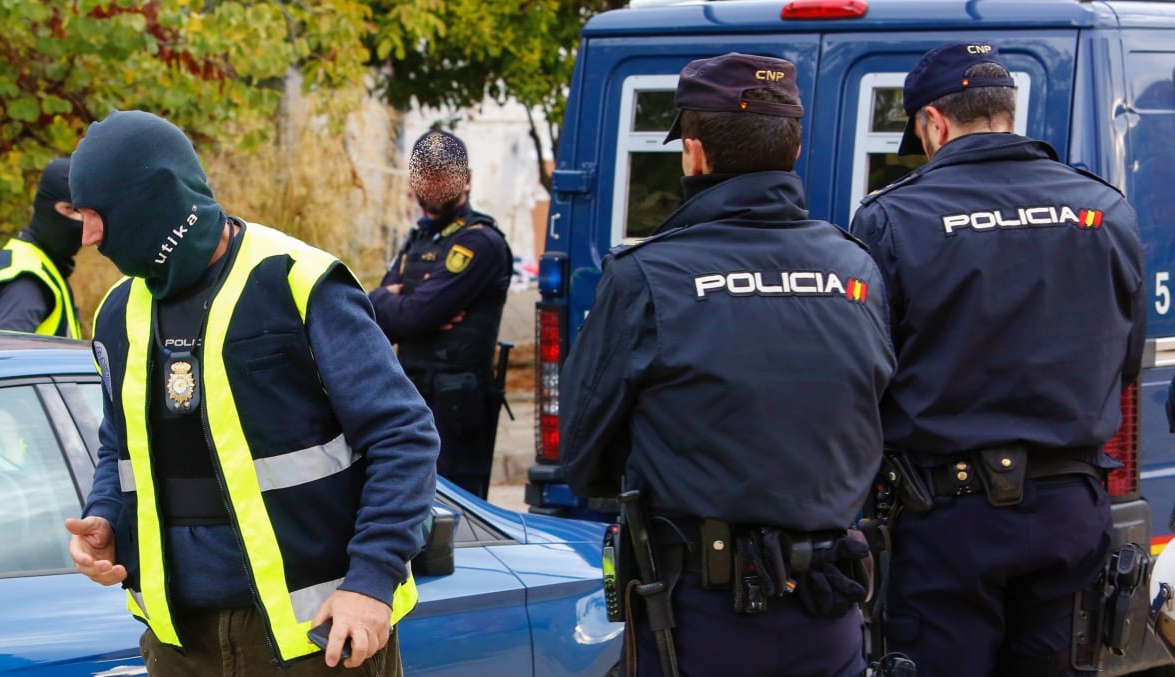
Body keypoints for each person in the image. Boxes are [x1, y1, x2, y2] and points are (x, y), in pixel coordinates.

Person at [62, 110, 440, 676]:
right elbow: (120, 441)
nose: (89, 238)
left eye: (97, 216)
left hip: (321, 643)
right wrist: (105, 517)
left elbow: (404, 438)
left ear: (153, 203)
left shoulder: (298, 283)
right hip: (182, 648)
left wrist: (372, 582)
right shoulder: (119, 310)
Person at [559, 52, 896, 676]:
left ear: (693, 154)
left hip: (698, 614)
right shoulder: (857, 270)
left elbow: (582, 456)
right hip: (831, 605)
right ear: (793, 153)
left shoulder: (648, 276)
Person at [849, 42, 1146, 675]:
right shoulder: (1107, 211)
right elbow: (1124, 362)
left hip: (945, 520)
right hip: (1070, 509)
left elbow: (864, 378)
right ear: (1009, 111)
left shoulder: (892, 218)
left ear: (933, 122)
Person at [369, 130, 512, 500]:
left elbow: (414, 318)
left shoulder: (480, 240)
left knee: (456, 515)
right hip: (410, 397)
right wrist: (397, 303)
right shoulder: (418, 239)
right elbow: (375, 315)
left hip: (456, 406)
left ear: (466, 179)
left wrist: (403, 303)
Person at [0, 157, 84, 337]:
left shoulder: (22, 256)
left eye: (84, 212)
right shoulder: (28, 279)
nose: (79, 221)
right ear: (44, 206)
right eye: (69, 209)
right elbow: (8, 360)